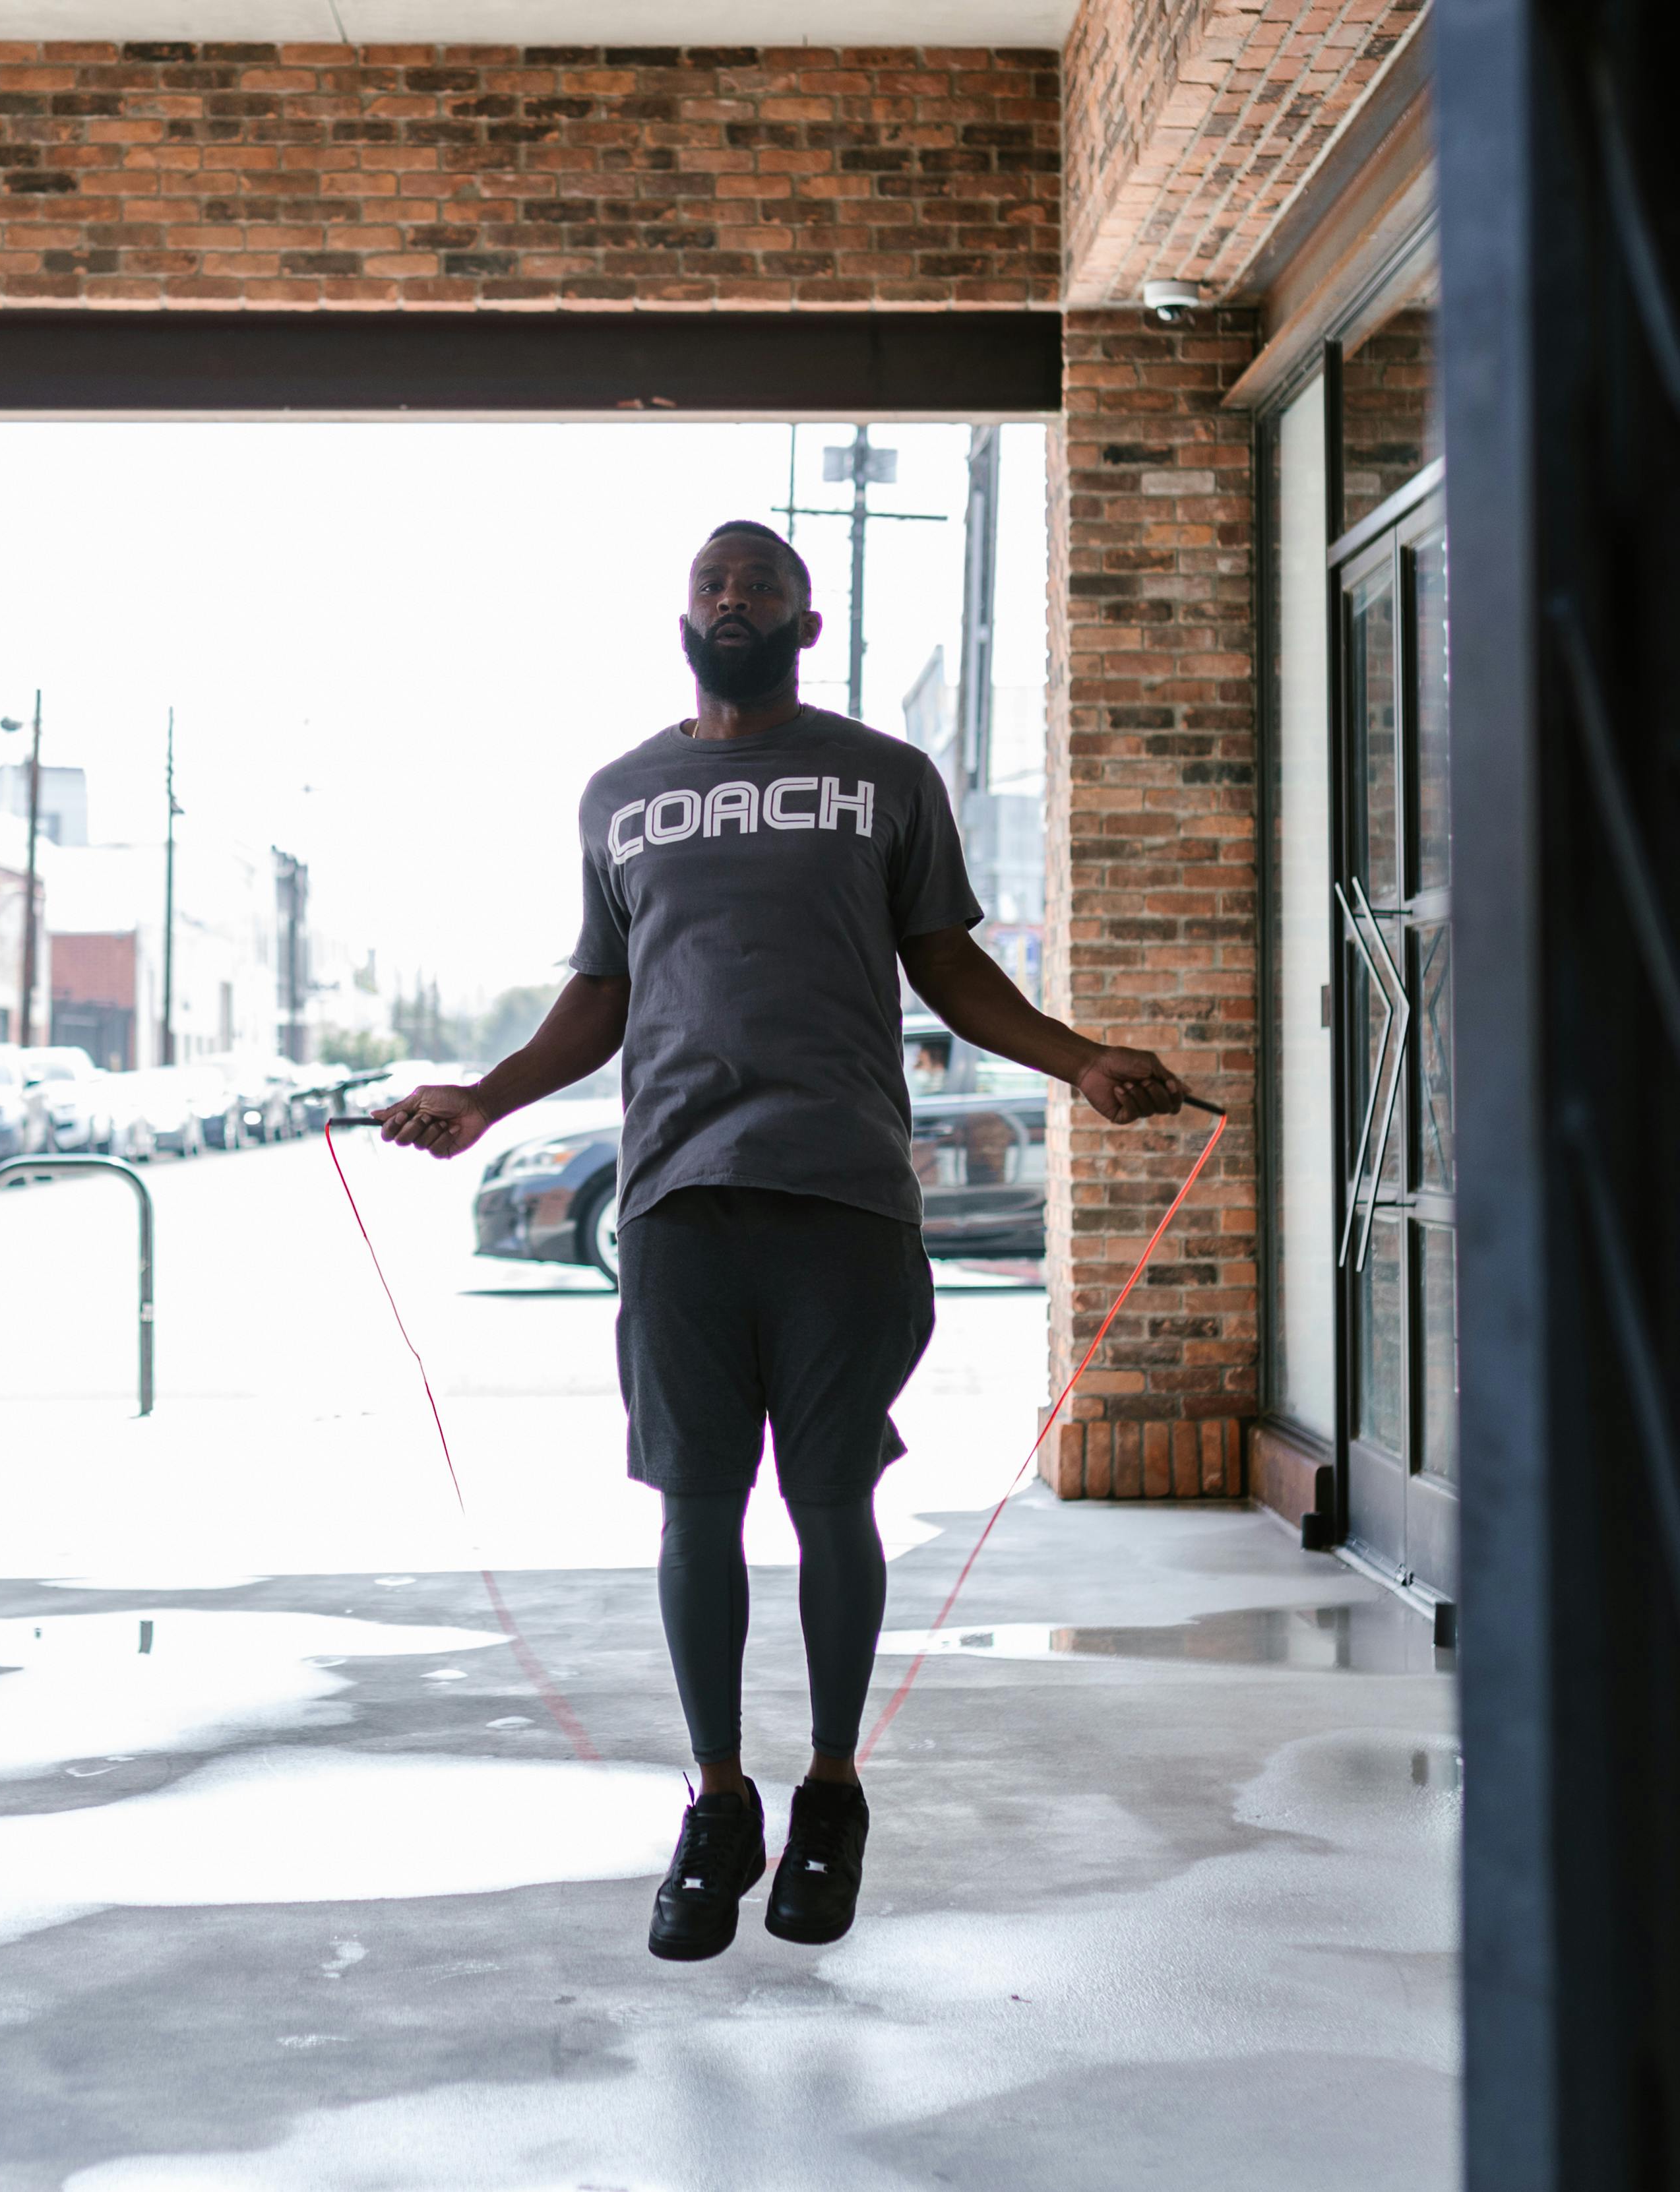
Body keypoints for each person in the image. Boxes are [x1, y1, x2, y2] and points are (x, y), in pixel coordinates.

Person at [373, 518, 1194, 1962]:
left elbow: (944, 963)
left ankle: (828, 1790)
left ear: (806, 625)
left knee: (827, 1499)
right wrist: (486, 1099)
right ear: (681, 616)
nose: (733, 598)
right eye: (712, 582)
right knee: (694, 1502)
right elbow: (598, 992)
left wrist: (1075, 1058)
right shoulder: (621, 796)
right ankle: (716, 1801)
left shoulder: (881, 779)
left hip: (844, 1195)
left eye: (760, 584)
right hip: (679, 1202)